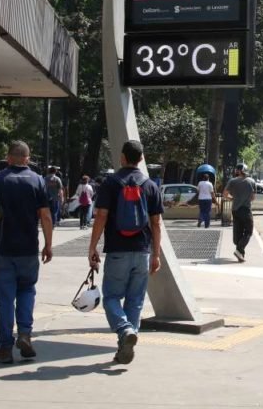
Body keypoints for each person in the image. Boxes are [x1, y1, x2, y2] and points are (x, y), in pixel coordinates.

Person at [0, 141, 53, 364]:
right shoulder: (37, 180)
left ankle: (5, 349)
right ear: (27, 158)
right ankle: (25, 334)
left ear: (8, 158)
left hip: (2, 248)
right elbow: (45, 215)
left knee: (5, 299)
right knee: (27, 290)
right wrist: (48, 244)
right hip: (28, 249)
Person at [87, 140, 163, 365]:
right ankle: (125, 344)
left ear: (122, 157)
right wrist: (156, 254)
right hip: (142, 251)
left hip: (117, 250)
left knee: (111, 296)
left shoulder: (111, 183)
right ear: (141, 159)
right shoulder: (150, 185)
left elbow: (101, 215)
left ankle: (125, 329)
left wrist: (93, 246)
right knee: (135, 300)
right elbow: (156, 222)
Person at [222, 163, 255, 262]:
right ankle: (239, 250)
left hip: (235, 210)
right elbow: (253, 198)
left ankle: (240, 255)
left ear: (237, 171)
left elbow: (225, 194)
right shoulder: (252, 181)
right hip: (246, 209)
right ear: (245, 170)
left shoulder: (232, 181)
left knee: (238, 231)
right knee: (248, 232)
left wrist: (233, 199)